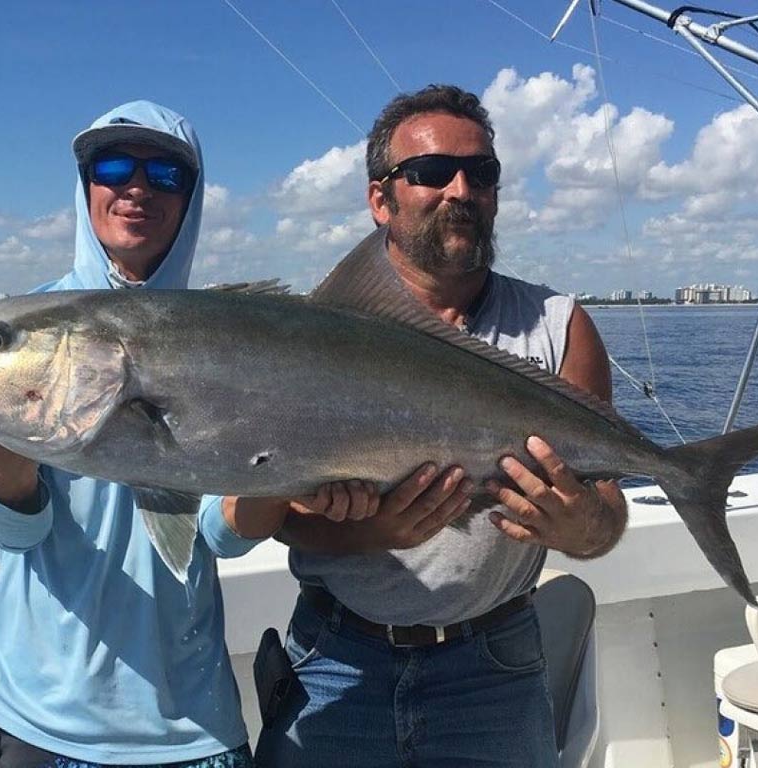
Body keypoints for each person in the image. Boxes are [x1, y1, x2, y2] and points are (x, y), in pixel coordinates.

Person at [254, 85, 630, 768]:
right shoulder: (314, 336)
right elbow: (275, 514)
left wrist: (581, 528)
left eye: (480, 172)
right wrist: (364, 531)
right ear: (380, 199)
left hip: (495, 667)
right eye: (430, 173)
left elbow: (605, 517)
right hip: (336, 657)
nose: (460, 188)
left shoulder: (559, 327)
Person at [0, 100, 318, 768]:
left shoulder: (237, 336)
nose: (137, 187)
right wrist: (3, 475)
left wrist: (292, 482)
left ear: (192, 198)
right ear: (86, 184)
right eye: (114, 164)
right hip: (36, 714)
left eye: (166, 174)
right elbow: (18, 535)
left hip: (189, 724)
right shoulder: (24, 331)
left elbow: (218, 534)